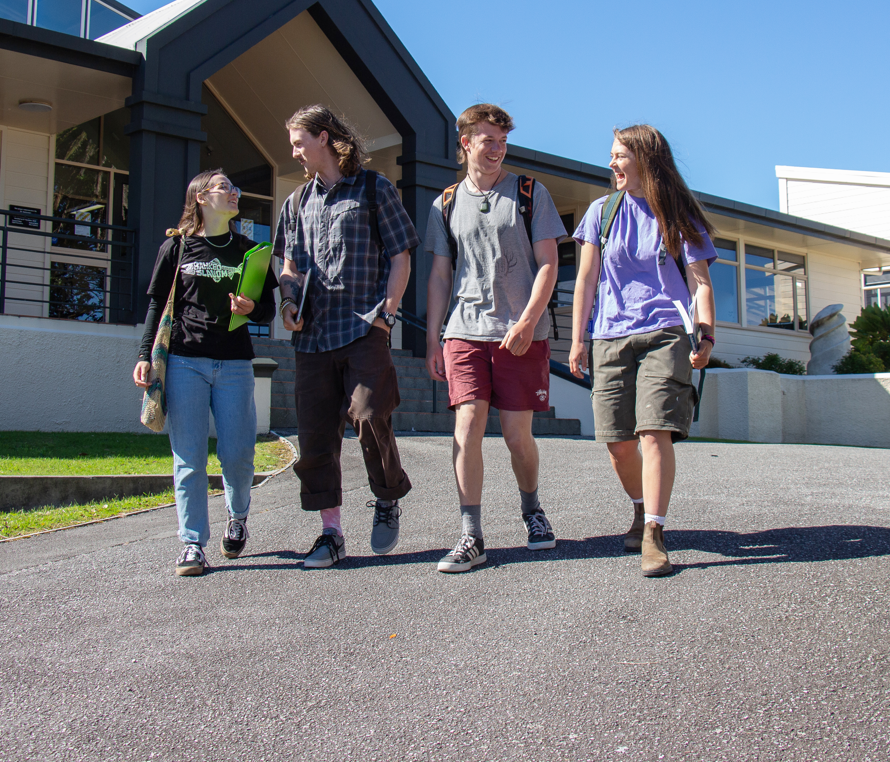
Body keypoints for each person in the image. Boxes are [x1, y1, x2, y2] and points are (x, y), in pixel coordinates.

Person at [272, 105, 419, 568]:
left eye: (299, 142)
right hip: (313, 337)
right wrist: (288, 304)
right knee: (315, 438)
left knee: (371, 415)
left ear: (324, 137)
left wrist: (387, 314)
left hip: (363, 327)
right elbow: (288, 266)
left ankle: (387, 496)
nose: (294, 152)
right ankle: (330, 533)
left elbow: (400, 255)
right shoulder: (296, 202)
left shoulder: (375, 188)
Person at [568, 125, 717, 577]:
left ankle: (654, 531)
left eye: (620, 155)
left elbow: (700, 284)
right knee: (617, 443)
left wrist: (706, 335)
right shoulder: (601, 212)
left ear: (645, 159)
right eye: (612, 155)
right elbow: (586, 280)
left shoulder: (677, 213)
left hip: (666, 333)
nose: (612, 163)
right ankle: (639, 505)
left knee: (654, 431)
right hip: (610, 335)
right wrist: (578, 338)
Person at [424, 104, 567, 573]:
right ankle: (471, 535)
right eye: (489, 140)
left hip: (519, 334)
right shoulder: (445, 203)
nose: (498, 149)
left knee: (516, 436)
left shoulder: (529, 193)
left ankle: (532, 509)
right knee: (467, 427)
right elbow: (440, 275)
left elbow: (549, 263)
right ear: (466, 142)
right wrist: (432, 339)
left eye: (503, 142)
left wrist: (527, 321)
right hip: (464, 330)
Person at [134, 170, 277, 577]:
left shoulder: (251, 251)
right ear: (200, 198)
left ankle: (238, 515)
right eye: (224, 188)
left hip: (235, 363)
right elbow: (157, 304)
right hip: (184, 361)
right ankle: (192, 544)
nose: (234, 193)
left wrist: (252, 309)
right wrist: (145, 354)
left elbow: (267, 309)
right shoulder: (176, 247)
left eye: (235, 188)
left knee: (238, 454)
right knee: (190, 457)